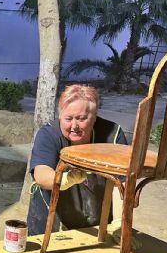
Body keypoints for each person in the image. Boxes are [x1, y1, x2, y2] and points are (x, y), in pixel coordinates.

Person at [27, 84, 131, 240]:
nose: (74, 126)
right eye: (68, 119)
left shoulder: (112, 135)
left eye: (81, 119)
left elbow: (121, 183)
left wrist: (119, 223)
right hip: (51, 222)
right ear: (60, 115)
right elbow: (41, 174)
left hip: (98, 224)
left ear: (94, 117)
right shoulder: (48, 134)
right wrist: (64, 179)